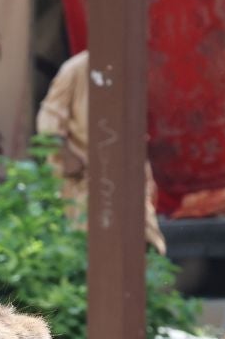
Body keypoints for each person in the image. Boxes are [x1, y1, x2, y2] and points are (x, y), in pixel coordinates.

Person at [35, 49, 166, 254]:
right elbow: (48, 121)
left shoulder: (127, 68)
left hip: (125, 174)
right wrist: (67, 155)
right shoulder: (75, 69)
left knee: (144, 240)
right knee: (88, 243)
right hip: (85, 175)